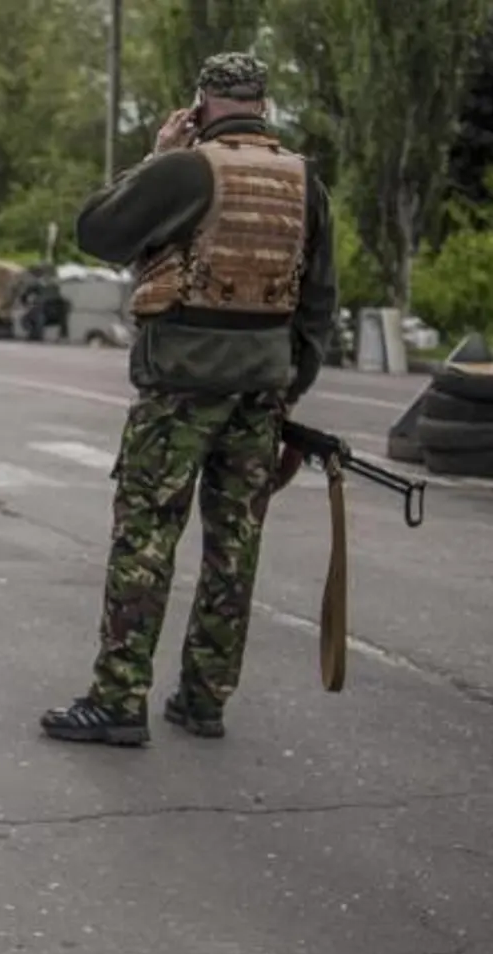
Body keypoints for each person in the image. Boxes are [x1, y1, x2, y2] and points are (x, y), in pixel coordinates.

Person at [40, 52, 338, 746]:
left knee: (146, 540)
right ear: (264, 105)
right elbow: (319, 301)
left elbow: (99, 231)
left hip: (180, 389)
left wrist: (155, 156)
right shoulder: (304, 180)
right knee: (234, 549)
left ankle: (118, 700)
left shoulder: (187, 169)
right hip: (261, 391)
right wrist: (288, 388)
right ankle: (204, 699)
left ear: (201, 105)